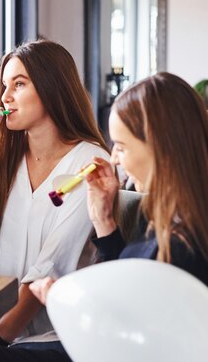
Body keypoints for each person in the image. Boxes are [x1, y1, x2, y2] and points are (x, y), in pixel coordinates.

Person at [0, 40, 110, 362]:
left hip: (57, 336)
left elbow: (48, 269)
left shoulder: (89, 163)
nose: (5, 97)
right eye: (5, 86)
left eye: (19, 85)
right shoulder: (6, 158)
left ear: (52, 88)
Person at [30, 72, 208, 307]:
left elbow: (130, 323)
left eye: (122, 148)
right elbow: (124, 285)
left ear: (162, 149)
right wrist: (104, 222)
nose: (113, 158)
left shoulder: (185, 247)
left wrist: (64, 303)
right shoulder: (160, 214)